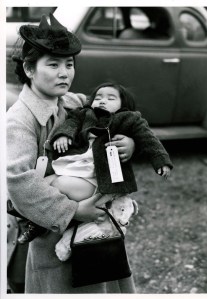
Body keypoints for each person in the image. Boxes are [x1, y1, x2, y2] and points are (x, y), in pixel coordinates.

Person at [7, 13, 136, 294]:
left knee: (104, 282)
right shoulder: (19, 120)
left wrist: (129, 142)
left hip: (99, 231)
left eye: (69, 64)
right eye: (53, 64)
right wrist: (75, 210)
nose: (64, 72)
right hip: (54, 237)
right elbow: (18, 181)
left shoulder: (75, 102)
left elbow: (119, 119)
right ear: (29, 69)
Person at [15, 82, 173, 251]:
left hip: (97, 179)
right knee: (44, 182)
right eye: (98, 97)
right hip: (75, 168)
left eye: (110, 98)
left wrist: (160, 160)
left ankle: (47, 221)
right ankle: (35, 222)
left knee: (58, 185)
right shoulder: (84, 113)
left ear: (123, 104)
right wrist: (63, 135)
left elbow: (148, 139)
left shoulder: (129, 119)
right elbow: (71, 123)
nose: (102, 101)